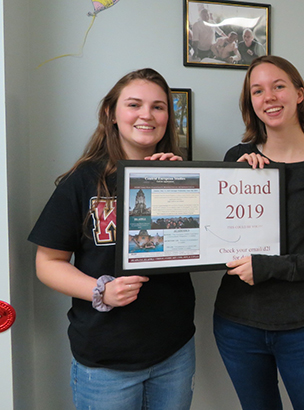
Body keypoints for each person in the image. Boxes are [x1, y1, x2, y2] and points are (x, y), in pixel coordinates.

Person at [28, 68, 196, 410]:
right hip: (105, 361)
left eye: (158, 107)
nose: (147, 115)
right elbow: (47, 263)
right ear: (112, 113)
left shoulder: (183, 175)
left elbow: (207, 242)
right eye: (134, 104)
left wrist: (177, 182)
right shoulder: (82, 181)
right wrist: (100, 291)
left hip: (174, 352)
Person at [214, 55, 304, 410]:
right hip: (237, 325)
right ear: (251, 102)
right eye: (257, 91)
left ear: (299, 94)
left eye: (278, 86)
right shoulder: (237, 158)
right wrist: (237, 181)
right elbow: (215, 239)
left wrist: (269, 267)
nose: (269, 97)